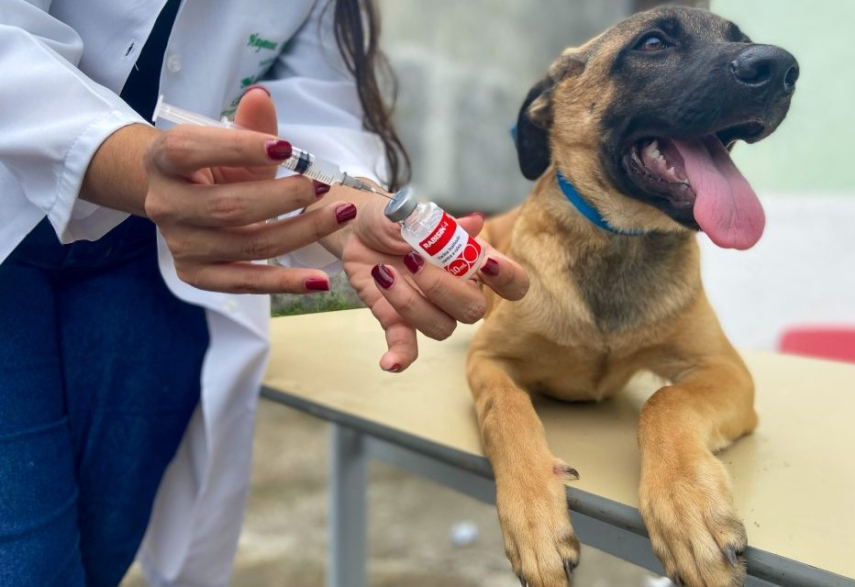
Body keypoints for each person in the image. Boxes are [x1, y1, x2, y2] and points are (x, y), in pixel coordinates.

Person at [0, 1, 529, 585]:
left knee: (101, 542)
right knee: (30, 564)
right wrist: (133, 161)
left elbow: (316, 95)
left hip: (150, 255)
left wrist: (341, 202)